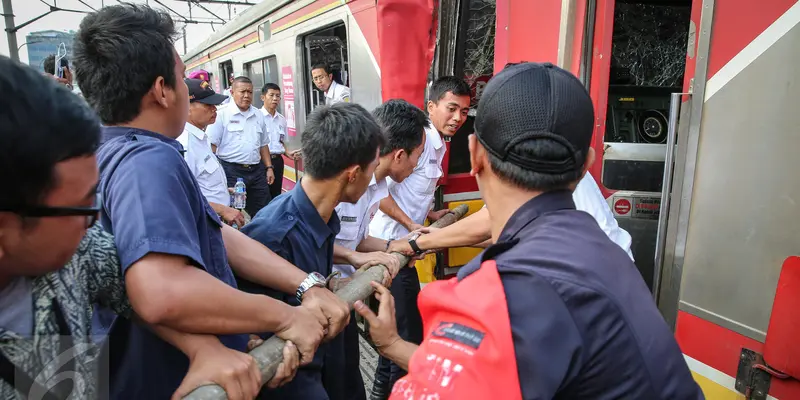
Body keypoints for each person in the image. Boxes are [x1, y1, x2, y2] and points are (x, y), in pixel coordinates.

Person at [356, 62, 704, 400]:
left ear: (474, 154)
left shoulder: (499, 293)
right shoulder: (612, 257)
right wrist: (394, 346)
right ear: (587, 166)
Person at [73, 4, 349, 398]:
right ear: (161, 90)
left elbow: (217, 235)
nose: (187, 89)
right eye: (183, 78)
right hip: (173, 379)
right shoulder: (149, 162)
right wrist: (286, 317)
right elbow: (161, 291)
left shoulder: (105, 153)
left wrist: (305, 284)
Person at [0, 56, 272, 400]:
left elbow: (137, 294)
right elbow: (162, 293)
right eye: (83, 206)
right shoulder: (144, 163)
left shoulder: (79, 250)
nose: (95, 221)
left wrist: (204, 348)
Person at [241, 102, 386, 399]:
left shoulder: (321, 215)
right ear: (353, 173)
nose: (373, 178)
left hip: (333, 363)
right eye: (373, 168)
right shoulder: (271, 234)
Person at [367, 76, 471, 399]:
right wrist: (413, 224)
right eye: (452, 108)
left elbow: (411, 193)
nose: (458, 118)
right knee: (405, 340)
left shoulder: (438, 143)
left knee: (397, 337)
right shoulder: (420, 139)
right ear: (432, 107)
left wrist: (429, 217)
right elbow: (380, 193)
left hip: (403, 250)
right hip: (391, 250)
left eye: (465, 112)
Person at [330, 99, 428, 400]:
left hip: (346, 297)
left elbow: (355, 239)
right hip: (325, 297)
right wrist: (353, 257)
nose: (416, 166)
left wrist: (401, 246)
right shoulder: (350, 181)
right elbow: (325, 241)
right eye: (417, 158)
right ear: (399, 154)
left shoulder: (377, 185)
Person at [390, 172, 635, 260]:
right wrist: (439, 237)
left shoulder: (536, 163)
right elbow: (505, 232)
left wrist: (416, 243)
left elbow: (490, 222)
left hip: (597, 280)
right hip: (607, 273)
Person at [177, 78, 245, 228]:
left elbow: (201, 182)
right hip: (207, 222)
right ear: (187, 107)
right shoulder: (185, 145)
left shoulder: (201, 137)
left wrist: (223, 191)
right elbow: (183, 197)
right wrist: (222, 209)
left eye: (214, 104)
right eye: (208, 105)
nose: (214, 109)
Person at [207, 76, 275, 217]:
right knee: (231, 213)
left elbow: (263, 145)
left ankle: (260, 238)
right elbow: (211, 148)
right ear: (232, 92)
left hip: (256, 171)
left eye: (250, 92)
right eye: (242, 91)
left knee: (265, 212)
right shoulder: (222, 114)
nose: (246, 95)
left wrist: (269, 167)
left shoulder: (258, 115)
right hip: (231, 172)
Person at [260, 82, 289, 200]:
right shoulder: (257, 117)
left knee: (276, 196)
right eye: (271, 95)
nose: (275, 99)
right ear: (263, 97)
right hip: (261, 162)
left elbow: (281, 142)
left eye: (278, 96)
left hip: (278, 161)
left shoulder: (281, 119)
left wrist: (288, 153)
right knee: (263, 196)